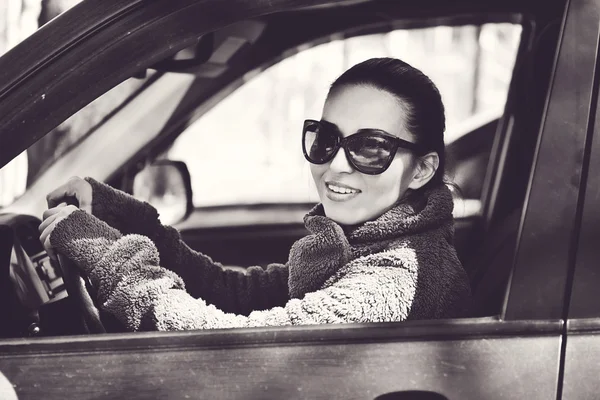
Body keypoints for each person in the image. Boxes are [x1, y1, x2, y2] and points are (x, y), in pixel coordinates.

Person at [39, 58, 472, 331]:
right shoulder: (358, 247)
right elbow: (233, 293)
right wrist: (129, 219)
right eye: (326, 139)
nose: (335, 164)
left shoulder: (392, 279)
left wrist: (105, 254)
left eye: (371, 147)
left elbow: (228, 348)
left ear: (423, 169)